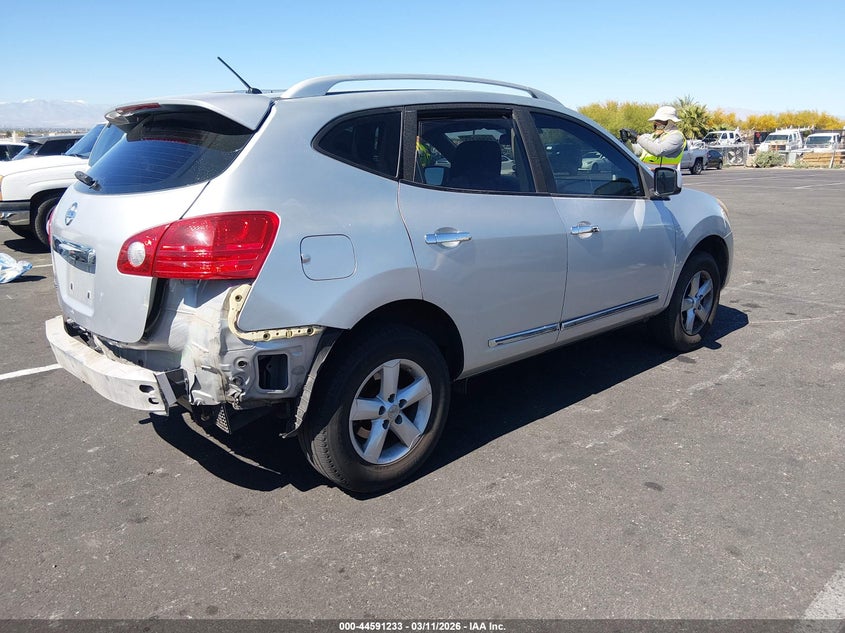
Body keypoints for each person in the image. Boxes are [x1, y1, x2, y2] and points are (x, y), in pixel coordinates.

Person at [633, 105, 686, 180]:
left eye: (660, 120)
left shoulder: (677, 137)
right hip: (647, 178)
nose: (656, 122)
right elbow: (638, 150)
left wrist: (638, 137)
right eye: (656, 120)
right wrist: (626, 142)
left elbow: (659, 150)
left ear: (670, 122)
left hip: (665, 180)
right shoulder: (653, 136)